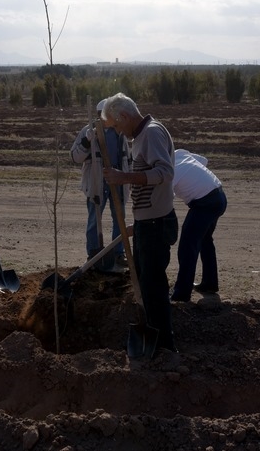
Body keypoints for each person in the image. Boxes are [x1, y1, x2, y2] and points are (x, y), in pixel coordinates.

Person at [100, 93, 178, 353]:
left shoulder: (152, 133)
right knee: (147, 284)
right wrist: (139, 222)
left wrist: (123, 177)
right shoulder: (142, 135)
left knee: (154, 287)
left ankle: (164, 346)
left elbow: (165, 173)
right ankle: (155, 338)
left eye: (117, 125)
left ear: (124, 116)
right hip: (148, 223)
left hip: (156, 224)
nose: (119, 132)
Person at [70, 100, 131, 272]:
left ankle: (118, 254)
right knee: (94, 221)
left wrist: (129, 180)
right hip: (97, 183)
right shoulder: (88, 131)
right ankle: (93, 255)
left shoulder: (119, 132)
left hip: (117, 181)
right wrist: (87, 141)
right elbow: (75, 157)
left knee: (119, 219)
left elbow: (128, 158)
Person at [170, 149, 228, 302]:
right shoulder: (179, 153)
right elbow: (203, 161)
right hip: (219, 196)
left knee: (187, 246)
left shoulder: (169, 171)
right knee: (204, 240)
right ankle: (210, 283)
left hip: (205, 204)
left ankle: (181, 293)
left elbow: (166, 198)